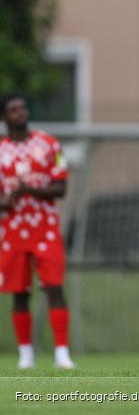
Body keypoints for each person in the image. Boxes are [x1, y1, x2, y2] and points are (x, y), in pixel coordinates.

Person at [0, 93, 76, 370]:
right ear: (4, 116)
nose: (20, 112)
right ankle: (25, 354)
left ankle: (62, 353)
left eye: (23, 107)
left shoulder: (48, 144)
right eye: (13, 109)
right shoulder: (1, 151)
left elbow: (61, 188)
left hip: (45, 228)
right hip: (13, 230)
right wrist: (6, 200)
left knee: (54, 287)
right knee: (20, 292)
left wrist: (27, 189)